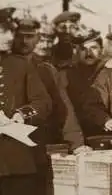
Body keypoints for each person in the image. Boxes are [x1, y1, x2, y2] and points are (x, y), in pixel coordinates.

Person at [0, 7, 51, 195]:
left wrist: (21, 115)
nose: (10, 37)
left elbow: (43, 102)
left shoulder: (20, 65)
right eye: (3, 31)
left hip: (16, 163)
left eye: (11, 31)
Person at [12, 14, 87, 153]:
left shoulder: (47, 70)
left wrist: (76, 143)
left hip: (37, 142)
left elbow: (64, 107)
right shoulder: (6, 66)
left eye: (29, 36)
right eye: (20, 36)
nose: (23, 41)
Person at [65, 28, 112, 138]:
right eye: (83, 49)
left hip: (109, 130)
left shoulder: (111, 70)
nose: (89, 53)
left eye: (93, 48)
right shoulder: (68, 75)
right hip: (77, 134)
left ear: (101, 50)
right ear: (76, 51)